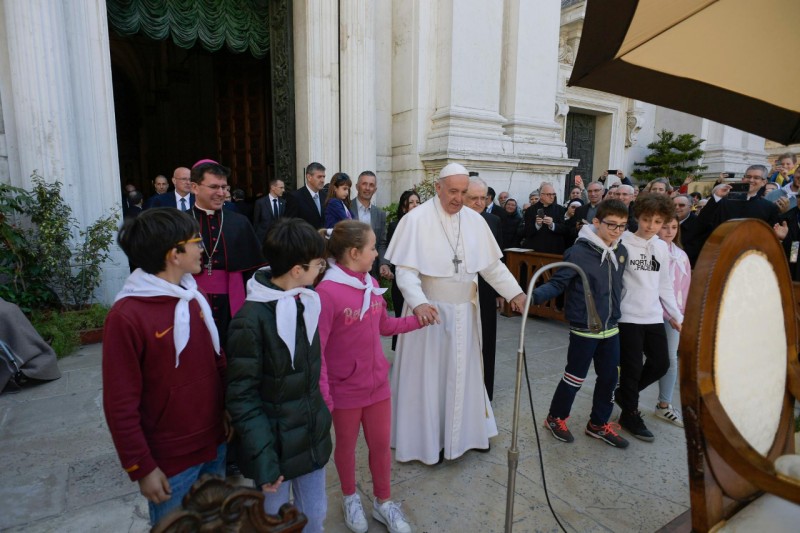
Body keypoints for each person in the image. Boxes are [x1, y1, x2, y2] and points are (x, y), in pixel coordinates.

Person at [385, 163, 526, 465]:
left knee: (463, 375)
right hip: (430, 315)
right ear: (438, 188)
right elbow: (406, 271)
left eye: (464, 192)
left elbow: (492, 267)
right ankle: (427, 441)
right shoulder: (416, 220)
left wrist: (516, 293)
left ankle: (465, 436)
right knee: (430, 379)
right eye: (453, 192)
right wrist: (419, 302)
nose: (459, 199)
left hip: (465, 313)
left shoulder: (475, 222)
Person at [103, 208, 228, 526]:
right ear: (174, 254)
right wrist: (141, 467)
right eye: (197, 241)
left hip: (214, 442)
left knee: (217, 524)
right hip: (172, 459)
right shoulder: (127, 316)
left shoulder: (192, 296)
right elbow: (120, 403)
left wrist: (229, 411)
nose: (202, 248)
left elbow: (216, 362)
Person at [317, 221, 425, 533]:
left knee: (380, 444)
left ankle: (383, 501)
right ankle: (349, 497)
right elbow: (318, 350)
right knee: (347, 448)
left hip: (377, 385)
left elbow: (384, 327)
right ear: (353, 252)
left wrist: (418, 320)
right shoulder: (327, 292)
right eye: (372, 248)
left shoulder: (369, 282)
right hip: (344, 390)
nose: (377, 253)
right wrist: (325, 395)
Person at [225, 218, 332, 533]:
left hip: (310, 440)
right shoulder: (250, 320)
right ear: (297, 270)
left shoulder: (304, 303)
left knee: (315, 516)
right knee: (273, 522)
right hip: (273, 449)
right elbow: (242, 397)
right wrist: (264, 462)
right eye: (318, 264)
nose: (322, 270)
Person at [533, 199, 630, 448]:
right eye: (611, 225)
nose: (617, 231)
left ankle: (597, 423)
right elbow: (558, 283)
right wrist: (531, 297)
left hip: (612, 328)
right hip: (585, 328)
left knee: (610, 379)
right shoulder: (579, 252)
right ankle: (555, 418)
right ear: (596, 222)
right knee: (575, 377)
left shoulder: (621, 251)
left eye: (622, 226)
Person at [616, 193, 683, 442]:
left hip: (653, 316)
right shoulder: (622, 241)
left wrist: (676, 315)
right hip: (628, 316)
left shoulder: (661, 246)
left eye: (657, 222)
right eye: (646, 219)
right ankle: (630, 413)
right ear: (637, 217)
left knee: (661, 363)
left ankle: (624, 394)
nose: (651, 226)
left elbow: (664, 284)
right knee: (631, 369)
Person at [189, 159, 265, 346]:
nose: (221, 193)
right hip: (190, 299)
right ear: (195, 187)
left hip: (232, 302)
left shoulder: (239, 222)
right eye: (214, 187)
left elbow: (253, 272)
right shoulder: (179, 222)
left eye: (224, 187)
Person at [464, 176, 502, 400]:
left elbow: (500, 260)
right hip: (460, 290)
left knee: (486, 340)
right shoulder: (453, 220)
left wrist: (499, 292)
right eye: (473, 198)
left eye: (483, 198)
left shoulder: (493, 221)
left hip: (486, 290)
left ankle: (485, 393)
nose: (479, 203)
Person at [651, 213, 690, 428]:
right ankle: (627, 403)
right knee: (638, 358)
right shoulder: (650, 251)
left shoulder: (681, 256)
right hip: (649, 311)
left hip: (672, 315)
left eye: (674, 227)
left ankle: (664, 405)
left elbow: (683, 288)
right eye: (665, 227)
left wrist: (679, 315)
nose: (669, 231)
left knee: (670, 359)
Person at [387, 190, 421, 350]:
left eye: (417, 202)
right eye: (411, 202)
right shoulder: (396, 226)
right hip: (402, 277)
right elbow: (394, 253)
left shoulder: (426, 225)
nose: (415, 205)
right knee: (402, 314)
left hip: (420, 279)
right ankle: (400, 350)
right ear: (404, 207)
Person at [349, 171, 392, 281]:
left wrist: (384, 263)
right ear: (357, 186)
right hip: (349, 269)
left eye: (371, 185)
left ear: (375, 189)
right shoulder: (346, 209)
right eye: (364, 184)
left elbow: (382, 243)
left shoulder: (380, 214)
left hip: (372, 273)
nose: (367, 188)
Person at [521, 182, 567, 253]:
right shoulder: (530, 210)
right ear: (541, 195)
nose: (552, 197)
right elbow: (526, 232)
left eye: (553, 194)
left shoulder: (560, 209)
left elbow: (565, 229)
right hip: (536, 250)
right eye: (549, 194)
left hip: (554, 250)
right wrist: (537, 225)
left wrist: (552, 225)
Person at [286, 162, 327, 228]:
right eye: (319, 177)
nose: (322, 180)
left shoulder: (325, 195)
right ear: (309, 177)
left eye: (323, 177)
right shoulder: (295, 197)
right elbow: (290, 224)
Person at [253, 178, 286, 243]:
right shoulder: (260, 202)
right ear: (273, 187)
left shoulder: (283, 202)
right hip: (263, 238)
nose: (283, 190)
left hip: (279, 238)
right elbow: (256, 222)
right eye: (281, 188)